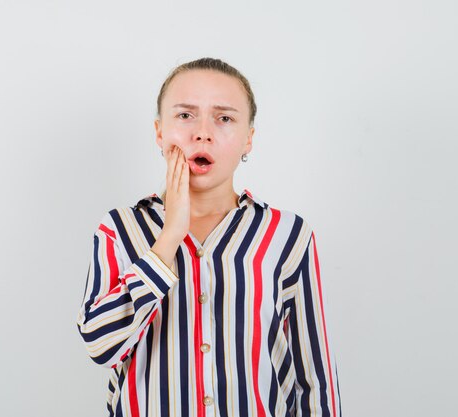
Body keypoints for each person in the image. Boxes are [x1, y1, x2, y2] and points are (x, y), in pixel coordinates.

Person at [76, 57, 342, 416]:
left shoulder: (288, 235)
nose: (203, 133)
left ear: (248, 138)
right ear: (159, 131)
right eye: (185, 115)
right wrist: (169, 237)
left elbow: (314, 380)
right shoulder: (120, 229)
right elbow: (100, 345)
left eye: (224, 118)